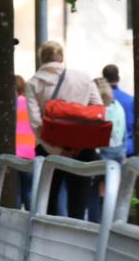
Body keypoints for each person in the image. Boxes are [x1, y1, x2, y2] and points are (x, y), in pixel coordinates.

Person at [25, 40, 103, 219]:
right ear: (61, 57)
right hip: (82, 148)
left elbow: (36, 122)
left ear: (41, 58)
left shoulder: (33, 84)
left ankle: (50, 241)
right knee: (79, 200)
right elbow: (97, 109)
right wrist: (79, 144)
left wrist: (56, 150)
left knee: (48, 200)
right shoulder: (83, 78)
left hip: (48, 147)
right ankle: (77, 239)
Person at [85, 78, 126, 223]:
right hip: (118, 153)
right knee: (110, 192)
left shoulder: (98, 111)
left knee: (94, 193)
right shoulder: (118, 106)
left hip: (101, 153)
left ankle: (95, 224)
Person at [101, 64, 135, 157]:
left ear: (103, 78)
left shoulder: (98, 100)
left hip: (104, 150)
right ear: (118, 78)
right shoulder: (130, 100)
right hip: (128, 150)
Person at [14, 75, 35, 210]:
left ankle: (13, 222)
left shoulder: (11, 104)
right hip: (31, 153)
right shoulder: (31, 104)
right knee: (30, 191)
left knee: (16, 192)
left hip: (15, 152)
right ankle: (31, 223)